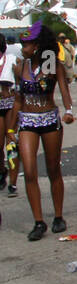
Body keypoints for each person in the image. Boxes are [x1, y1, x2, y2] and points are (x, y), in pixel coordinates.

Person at [13, 22, 75, 240]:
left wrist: (69, 111)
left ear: (38, 46)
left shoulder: (52, 66)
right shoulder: (20, 67)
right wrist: (11, 129)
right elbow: (18, 100)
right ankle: (38, 222)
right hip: (27, 122)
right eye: (22, 44)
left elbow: (65, 91)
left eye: (27, 44)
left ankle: (58, 216)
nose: (23, 48)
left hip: (50, 120)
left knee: (52, 170)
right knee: (29, 171)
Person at [0, 36, 18, 198]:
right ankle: (2, 170)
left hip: (11, 104)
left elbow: (20, 79)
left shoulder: (11, 59)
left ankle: (13, 182)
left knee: (11, 143)